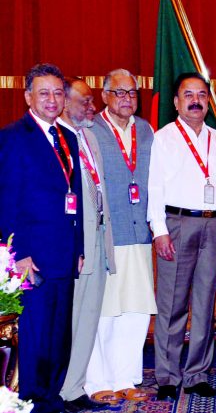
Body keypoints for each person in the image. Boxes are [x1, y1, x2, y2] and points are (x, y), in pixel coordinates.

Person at [148, 72, 216, 400]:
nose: (195, 100)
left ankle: (197, 372)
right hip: (177, 224)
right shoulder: (164, 138)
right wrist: (159, 231)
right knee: (172, 304)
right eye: (188, 95)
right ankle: (168, 376)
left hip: (213, 226)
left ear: (208, 101)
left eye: (201, 94)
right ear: (176, 102)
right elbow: (154, 188)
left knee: (204, 302)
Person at [0, 63, 83, 413]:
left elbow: (75, 197)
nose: (52, 99)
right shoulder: (12, 137)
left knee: (59, 335)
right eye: (44, 93)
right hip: (31, 256)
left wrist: (79, 249)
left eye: (58, 92)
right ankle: (34, 402)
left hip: (64, 253)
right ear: (28, 97)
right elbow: (5, 201)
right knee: (34, 337)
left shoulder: (69, 138)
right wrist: (16, 254)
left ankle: (52, 397)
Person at [86, 69, 158, 403]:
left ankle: (127, 378)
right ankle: (98, 382)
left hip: (139, 233)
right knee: (103, 311)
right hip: (105, 235)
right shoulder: (89, 130)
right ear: (104, 96)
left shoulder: (145, 130)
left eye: (132, 93)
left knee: (136, 309)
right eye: (120, 93)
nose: (127, 99)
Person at [56, 77, 115, 412]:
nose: (93, 108)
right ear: (65, 103)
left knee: (89, 316)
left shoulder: (89, 137)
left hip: (98, 242)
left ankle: (74, 388)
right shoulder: (56, 140)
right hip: (73, 247)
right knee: (69, 319)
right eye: (86, 101)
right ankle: (60, 386)